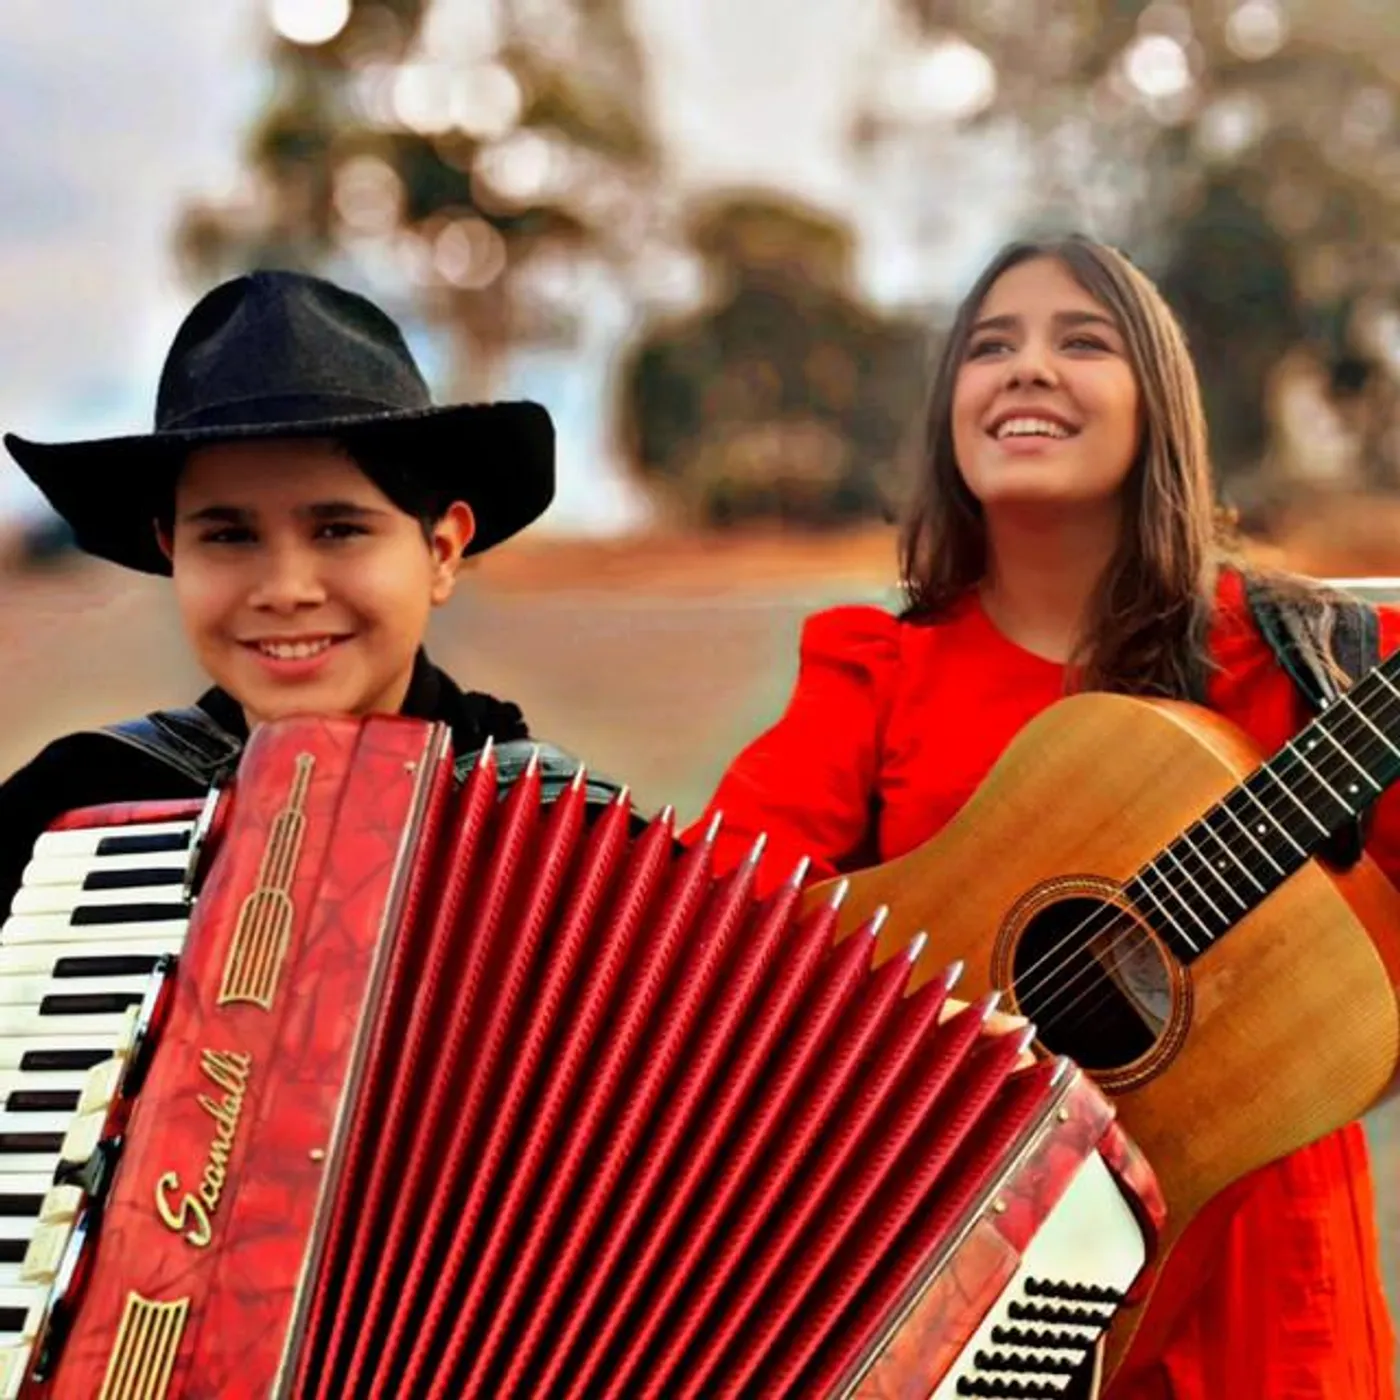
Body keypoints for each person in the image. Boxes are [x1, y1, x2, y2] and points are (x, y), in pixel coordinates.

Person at [687, 235, 1398, 1398]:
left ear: (1154, 402)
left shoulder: (1312, 667)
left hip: (1267, 1326)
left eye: (1081, 341)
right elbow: (716, 930)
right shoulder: (872, 673)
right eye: (988, 347)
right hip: (947, 1297)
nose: (1025, 368)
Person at [0, 268, 621, 917]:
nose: (286, 591)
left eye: (339, 529)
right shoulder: (73, 812)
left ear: (440, 553)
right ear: (173, 553)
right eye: (229, 537)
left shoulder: (577, 847)